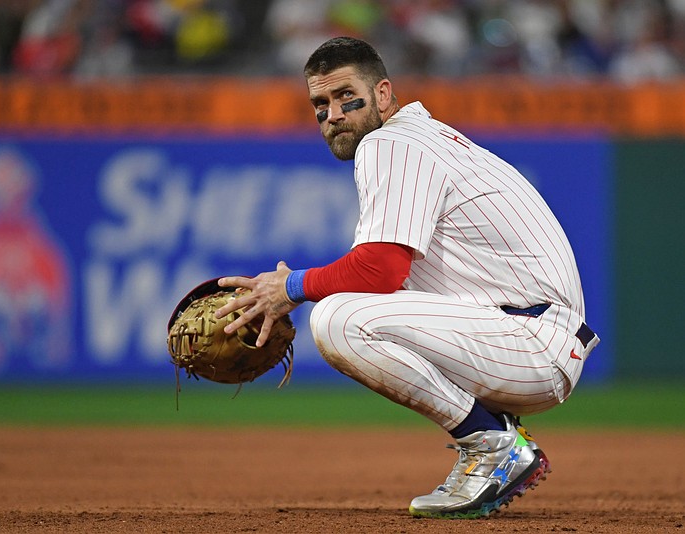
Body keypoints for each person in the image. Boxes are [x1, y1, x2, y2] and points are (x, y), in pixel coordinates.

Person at [215, 36, 599, 519]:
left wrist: (290, 289)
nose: (332, 113)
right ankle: (497, 430)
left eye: (344, 95)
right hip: (528, 336)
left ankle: (493, 444)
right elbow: (393, 276)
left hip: (529, 342)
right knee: (364, 299)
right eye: (320, 103)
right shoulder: (421, 139)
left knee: (338, 318)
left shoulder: (390, 143)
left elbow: (379, 270)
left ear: (382, 94)